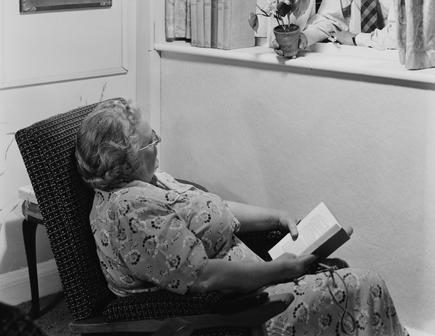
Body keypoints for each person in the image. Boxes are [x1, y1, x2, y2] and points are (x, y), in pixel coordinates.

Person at [75, 99, 408, 336]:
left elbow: (215, 210)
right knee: (365, 284)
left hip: (255, 282)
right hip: (241, 309)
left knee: (344, 275)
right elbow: (202, 277)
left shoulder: (151, 180)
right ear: (126, 155)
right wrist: (278, 269)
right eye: (152, 141)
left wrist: (277, 217)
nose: (158, 146)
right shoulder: (130, 211)